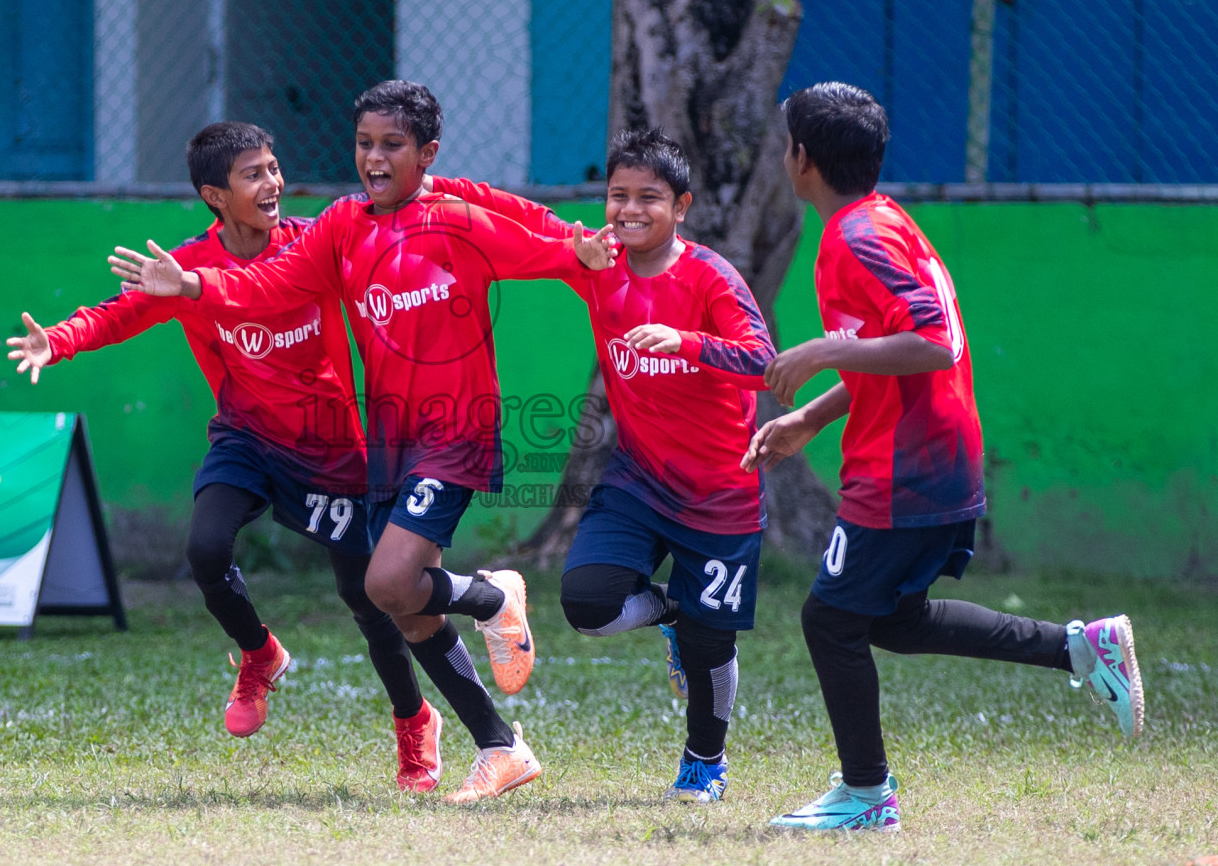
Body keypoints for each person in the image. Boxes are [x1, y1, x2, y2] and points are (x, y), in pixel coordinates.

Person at [108, 80, 617, 803]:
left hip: (454, 431)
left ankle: (493, 593)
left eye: (392, 146)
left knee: (382, 585)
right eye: (364, 144)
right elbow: (270, 285)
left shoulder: (457, 218)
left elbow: (551, 250)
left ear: (426, 153)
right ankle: (502, 748)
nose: (374, 158)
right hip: (387, 442)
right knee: (408, 608)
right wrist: (194, 285)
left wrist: (594, 258)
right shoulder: (344, 224)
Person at [744, 82, 1144, 833]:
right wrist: (812, 415)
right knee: (891, 620)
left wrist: (826, 350)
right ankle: (1080, 649)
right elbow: (888, 350)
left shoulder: (857, 237)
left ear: (802, 158)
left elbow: (933, 343)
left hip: (909, 466)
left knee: (830, 619)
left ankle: (867, 796)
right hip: (921, 457)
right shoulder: (877, 221)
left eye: (784, 143)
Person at [6, 122, 444, 792]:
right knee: (207, 550)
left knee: (365, 596)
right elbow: (117, 314)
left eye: (273, 168)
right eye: (252, 175)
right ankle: (259, 654)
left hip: (331, 448)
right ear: (215, 193)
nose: (271, 184)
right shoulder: (185, 269)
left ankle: (414, 723)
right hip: (245, 438)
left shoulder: (310, 246)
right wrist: (56, 342)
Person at [432, 128, 777, 803]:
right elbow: (517, 214)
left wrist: (687, 340)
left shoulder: (710, 275)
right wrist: (431, 186)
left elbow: (762, 361)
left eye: (649, 198)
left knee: (713, 648)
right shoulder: (597, 258)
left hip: (721, 491)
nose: (629, 210)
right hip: (639, 479)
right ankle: (677, 612)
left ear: (681, 206)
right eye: (618, 196)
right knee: (588, 605)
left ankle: (705, 762)